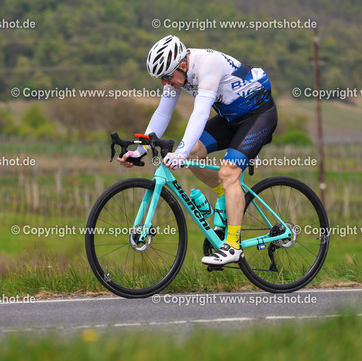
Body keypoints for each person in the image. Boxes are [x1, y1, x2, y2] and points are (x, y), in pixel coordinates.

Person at [118, 35, 278, 265]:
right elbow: (163, 113)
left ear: (183, 65)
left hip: (258, 115)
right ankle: (228, 195)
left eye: (166, 76)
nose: (164, 83)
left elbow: (201, 113)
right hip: (231, 118)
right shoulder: (176, 75)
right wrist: (140, 150)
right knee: (194, 153)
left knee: (228, 173)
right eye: (160, 78)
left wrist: (179, 153)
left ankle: (233, 246)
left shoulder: (207, 64)